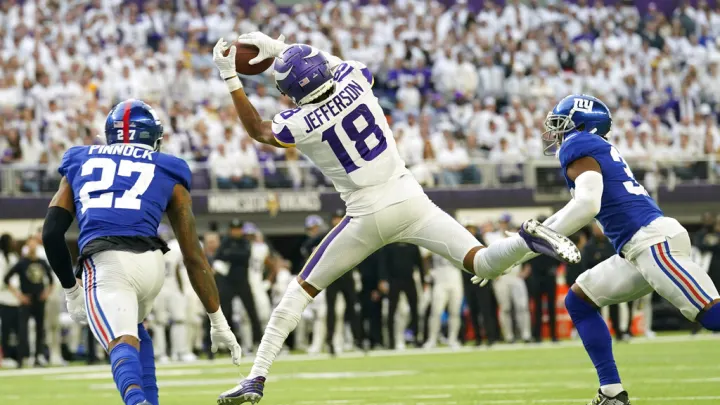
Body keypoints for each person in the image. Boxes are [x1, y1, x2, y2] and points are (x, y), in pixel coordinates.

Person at [213, 33, 579, 404]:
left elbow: (259, 129)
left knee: (299, 292)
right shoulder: (356, 79)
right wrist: (284, 48)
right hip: (409, 197)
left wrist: (231, 77)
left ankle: (256, 377)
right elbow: (334, 64)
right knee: (482, 263)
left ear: (291, 92)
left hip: (366, 214)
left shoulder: (299, 122)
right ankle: (524, 241)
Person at [40, 99, 240, 405]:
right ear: (152, 138)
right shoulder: (170, 168)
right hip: (152, 265)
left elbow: (52, 232)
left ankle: (137, 402)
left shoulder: (80, 158)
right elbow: (193, 255)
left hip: (107, 263)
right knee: (135, 332)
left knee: (122, 340)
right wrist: (218, 320)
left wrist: (71, 290)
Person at [539, 94, 719, 405]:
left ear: (582, 125)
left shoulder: (577, 144)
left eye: (561, 124)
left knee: (713, 315)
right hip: (636, 249)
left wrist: (543, 232)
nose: (557, 133)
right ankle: (611, 392)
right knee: (580, 300)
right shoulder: (592, 148)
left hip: (652, 241)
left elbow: (586, 204)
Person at [3, 237, 54, 367]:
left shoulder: (42, 262)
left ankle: (38, 356)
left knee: (39, 329)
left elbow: (51, 280)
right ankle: (21, 358)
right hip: (26, 300)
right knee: (22, 330)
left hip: (39, 299)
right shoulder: (22, 263)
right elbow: (7, 278)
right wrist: (19, 295)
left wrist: (46, 293)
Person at [214, 219, 263, 349]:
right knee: (222, 313)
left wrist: (229, 254)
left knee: (252, 313)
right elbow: (218, 256)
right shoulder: (226, 241)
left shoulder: (245, 242)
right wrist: (233, 255)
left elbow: (245, 256)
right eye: (234, 229)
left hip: (242, 281)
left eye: (238, 229)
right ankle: (222, 344)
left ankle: (259, 342)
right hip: (228, 282)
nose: (236, 231)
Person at [0, 234, 20, 367]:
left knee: (18, 330)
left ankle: (17, 356)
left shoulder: (14, 257)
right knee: (6, 330)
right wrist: (14, 291)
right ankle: (6, 356)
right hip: (4, 299)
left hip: (16, 299)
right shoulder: (1, 258)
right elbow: (3, 280)